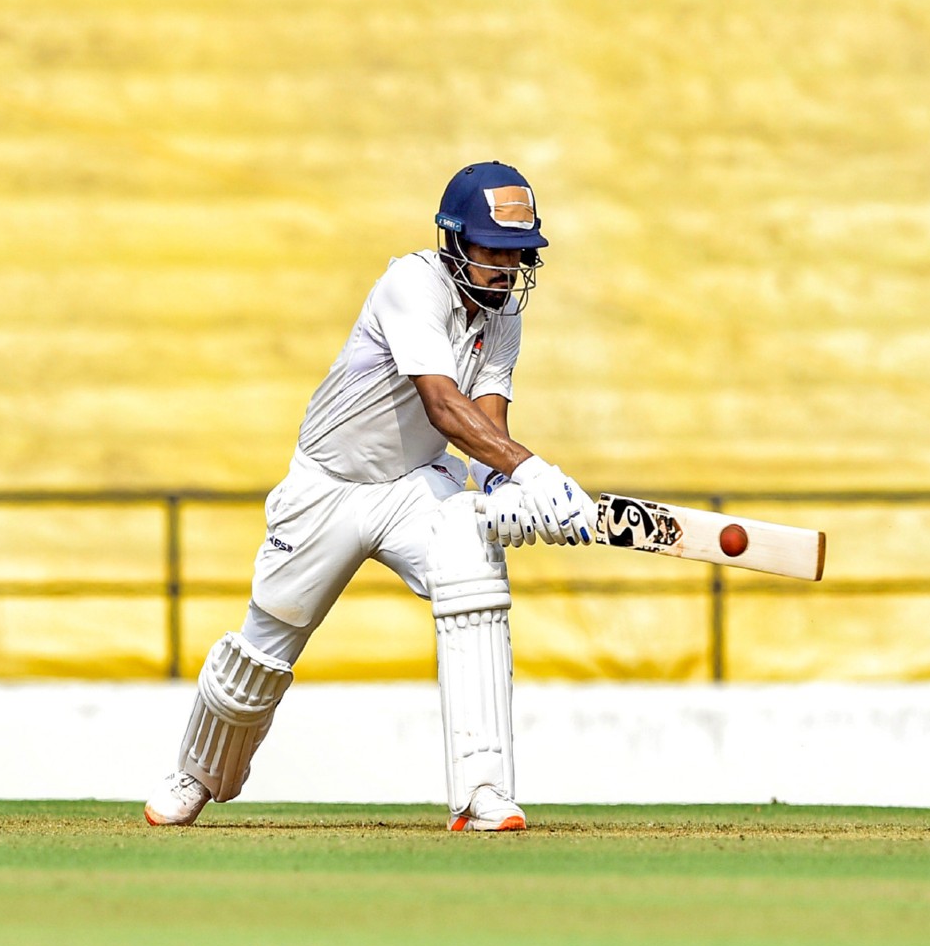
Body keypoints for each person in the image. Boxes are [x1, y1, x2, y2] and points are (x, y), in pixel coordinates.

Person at [143, 161, 596, 832]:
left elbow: (485, 422)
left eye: (518, 253)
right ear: (454, 242)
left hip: (413, 485)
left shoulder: (501, 319)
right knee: (265, 645)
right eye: (493, 250)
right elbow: (444, 407)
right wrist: (532, 470)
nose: (506, 268)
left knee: (473, 568)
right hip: (328, 486)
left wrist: (504, 483)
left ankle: (482, 794)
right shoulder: (411, 284)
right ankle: (197, 774)